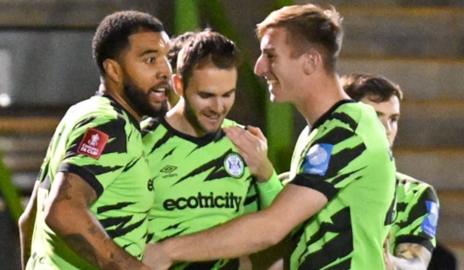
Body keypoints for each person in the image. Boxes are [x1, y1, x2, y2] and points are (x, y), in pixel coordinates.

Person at [143, 4, 396, 270]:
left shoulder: (347, 130)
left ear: (310, 61)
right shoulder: (320, 131)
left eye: (271, 56)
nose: (259, 67)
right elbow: (298, 228)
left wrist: (167, 251)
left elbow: (271, 227)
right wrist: (265, 174)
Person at [17, 10, 171, 270]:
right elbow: (64, 210)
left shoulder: (80, 114)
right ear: (113, 69)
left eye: (167, 58)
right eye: (150, 59)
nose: (165, 71)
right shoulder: (109, 125)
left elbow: (29, 221)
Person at [141, 30, 283, 269]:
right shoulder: (141, 141)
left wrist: (265, 171)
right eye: (206, 95)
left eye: (228, 95)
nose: (218, 107)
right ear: (178, 84)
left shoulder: (243, 141)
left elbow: (277, 224)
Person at [340, 73, 441, 270]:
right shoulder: (313, 184)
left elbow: (417, 264)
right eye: (375, 116)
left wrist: (390, 262)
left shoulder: (415, 194)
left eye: (393, 119)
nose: (387, 128)